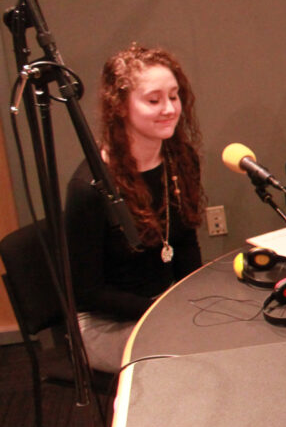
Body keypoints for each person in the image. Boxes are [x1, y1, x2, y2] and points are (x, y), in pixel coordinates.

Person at [64, 45, 206, 373]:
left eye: (174, 96)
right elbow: (88, 292)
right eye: (153, 100)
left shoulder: (182, 160)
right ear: (121, 107)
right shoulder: (88, 187)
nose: (169, 109)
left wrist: (197, 302)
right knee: (189, 361)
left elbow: (185, 243)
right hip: (107, 323)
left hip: (163, 305)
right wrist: (162, 311)